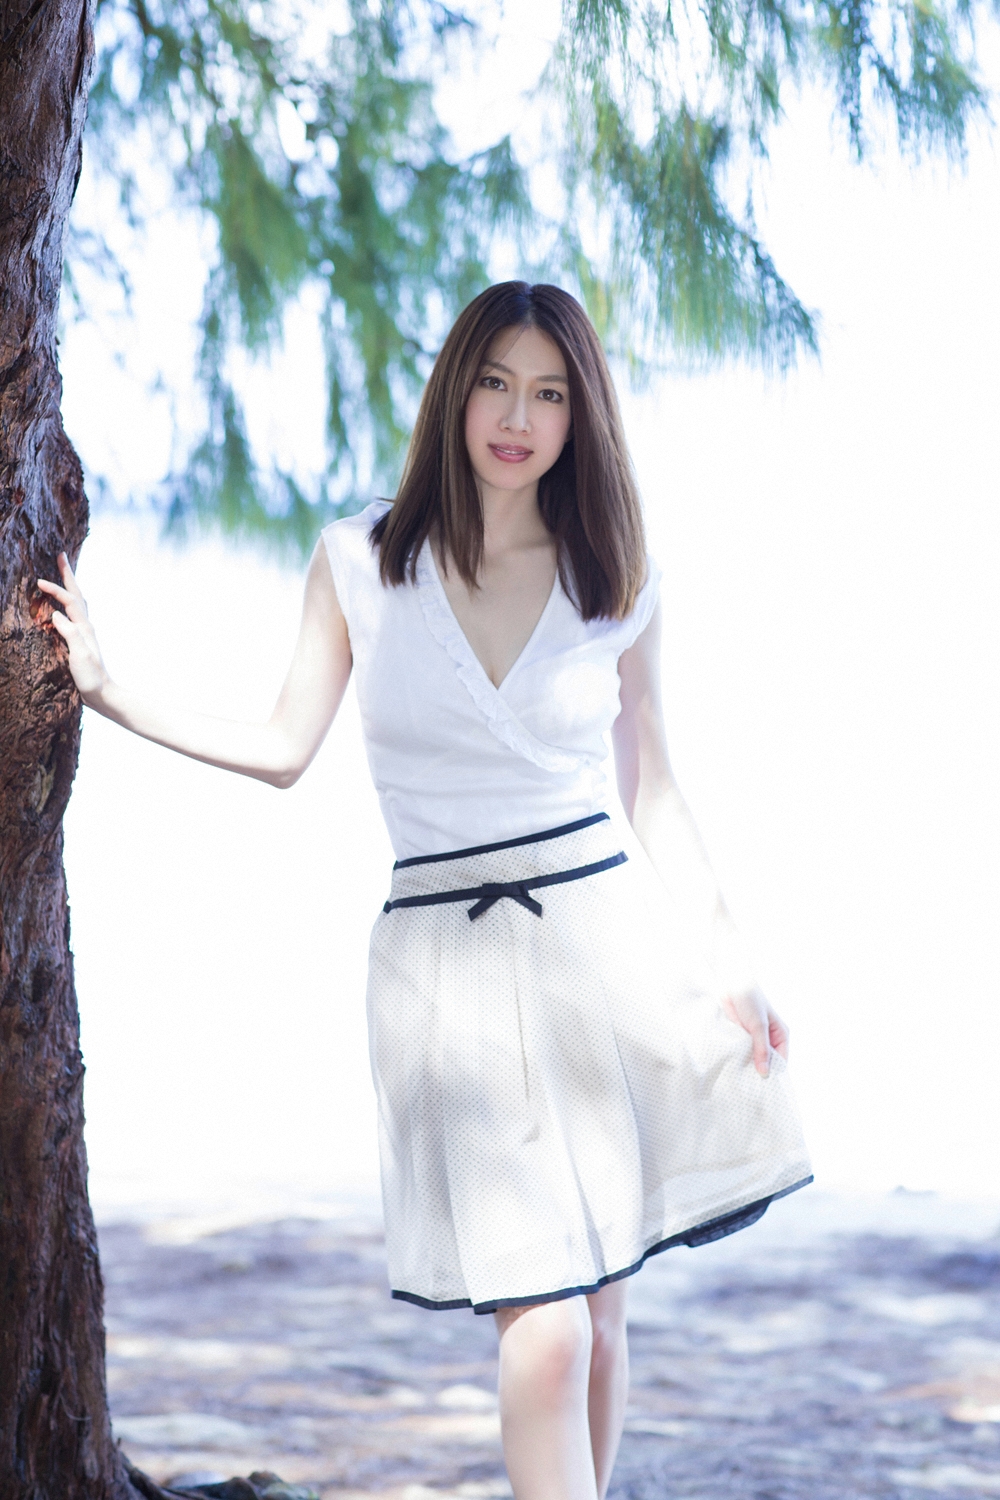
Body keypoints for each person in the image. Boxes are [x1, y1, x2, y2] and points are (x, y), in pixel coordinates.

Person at [39, 281, 811, 1500]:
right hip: (444, 972)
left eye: (548, 394)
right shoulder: (360, 560)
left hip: (602, 951)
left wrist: (730, 967)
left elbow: (653, 788)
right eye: (496, 383)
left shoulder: (615, 574)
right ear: (456, 391)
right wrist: (110, 689)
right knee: (545, 1330)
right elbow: (283, 747)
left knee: (601, 1316)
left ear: (579, 417)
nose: (518, 417)